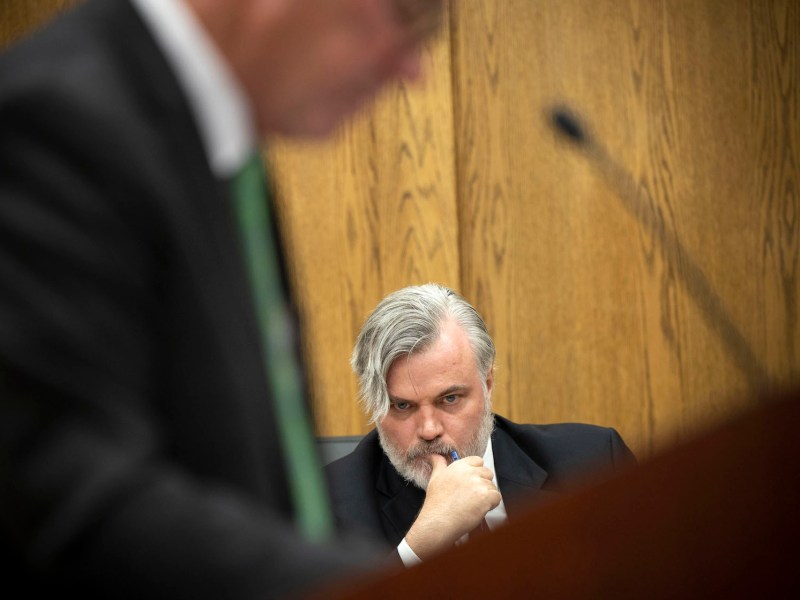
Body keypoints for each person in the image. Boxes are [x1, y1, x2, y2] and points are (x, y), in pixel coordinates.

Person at [0, 0, 444, 597]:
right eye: (405, 14)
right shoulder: (60, 117)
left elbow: (267, 491)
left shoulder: (226, 156)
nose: (412, 66)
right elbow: (69, 493)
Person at [326, 283, 636, 564]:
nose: (429, 429)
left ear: (487, 384)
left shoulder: (593, 466)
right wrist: (418, 546)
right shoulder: (329, 506)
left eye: (450, 399)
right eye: (403, 406)